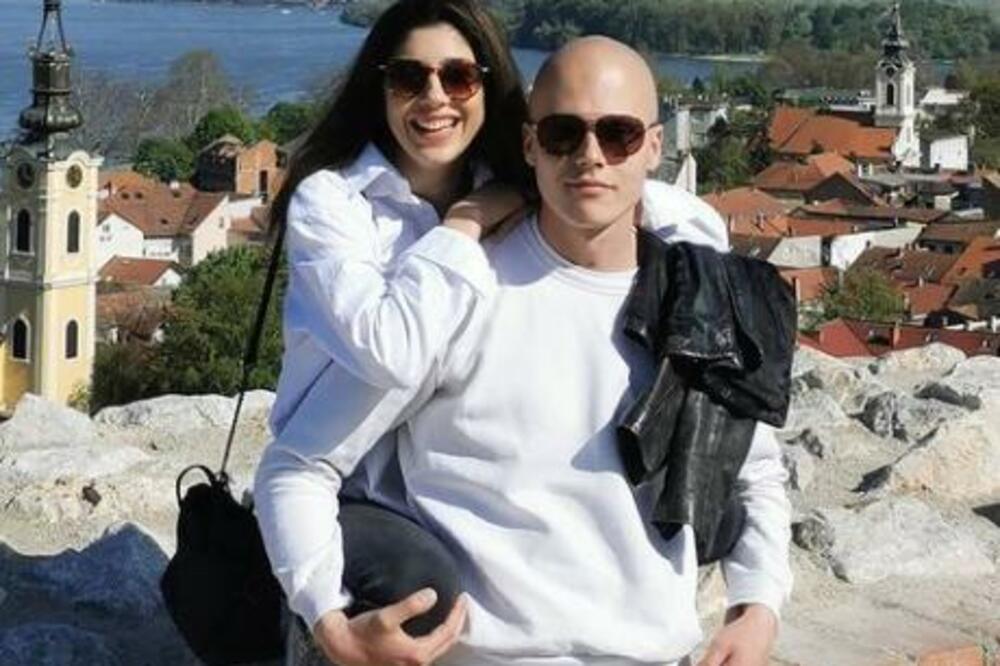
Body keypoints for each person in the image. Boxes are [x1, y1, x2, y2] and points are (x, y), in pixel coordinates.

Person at [255, 31, 792, 666]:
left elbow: (754, 470)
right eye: (564, 134)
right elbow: (299, 465)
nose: (589, 156)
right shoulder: (460, 293)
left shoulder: (697, 301)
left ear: (654, 146)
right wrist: (330, 621)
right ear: (530, 144)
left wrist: (758, 604)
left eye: (617, 134)